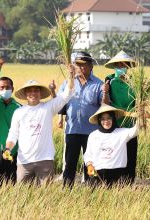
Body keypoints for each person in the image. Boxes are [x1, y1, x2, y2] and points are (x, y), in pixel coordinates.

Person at [5, 69, 74, 185]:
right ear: (26, 94)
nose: (33, 93)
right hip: (24, 161)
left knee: (46, 197)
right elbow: (13, 134)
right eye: (30, 91)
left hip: (45, 160)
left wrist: (71, 75)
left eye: (36, 90)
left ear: (40, 93)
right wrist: (8, 149)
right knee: (21, 196)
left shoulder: (48, 107)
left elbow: (67, 93)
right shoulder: (19, 112)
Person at [60, 51, 109, 187]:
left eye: (83, 65)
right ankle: (67, 188)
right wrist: (52, 92)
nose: (80, 68)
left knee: (90, 163)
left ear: (91, 66)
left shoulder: (99, 84)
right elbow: (60, 102)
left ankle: (91, 188)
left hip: (92, 132)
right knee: (70, 162)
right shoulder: (68, 83)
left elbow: (105, 105)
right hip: (72, 129)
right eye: (78, 65)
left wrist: (105, 92)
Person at [84, 104, 138, 187]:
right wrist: (89, 165)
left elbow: (136, 130)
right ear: (99, 120)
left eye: (109, 118)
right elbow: (88, 154)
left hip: (119, 174)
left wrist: (141, 115)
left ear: (113, 118)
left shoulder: (122, 133)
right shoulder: (93, 135)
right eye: (103, 119)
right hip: (99, 175)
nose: (106, 121)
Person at [104, 50, 137, 183]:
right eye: (117, 65)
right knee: (115, 154)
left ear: (128, 66)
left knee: (130, 155)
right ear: (114, 67)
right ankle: (114, 182)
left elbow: (139, 102)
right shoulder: (109, 80)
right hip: (115, 123)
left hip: (131, 123)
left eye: (123, 65)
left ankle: (129, 183)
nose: (120, 68)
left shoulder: (135, 81)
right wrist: (105, 92)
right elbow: (105, 104)